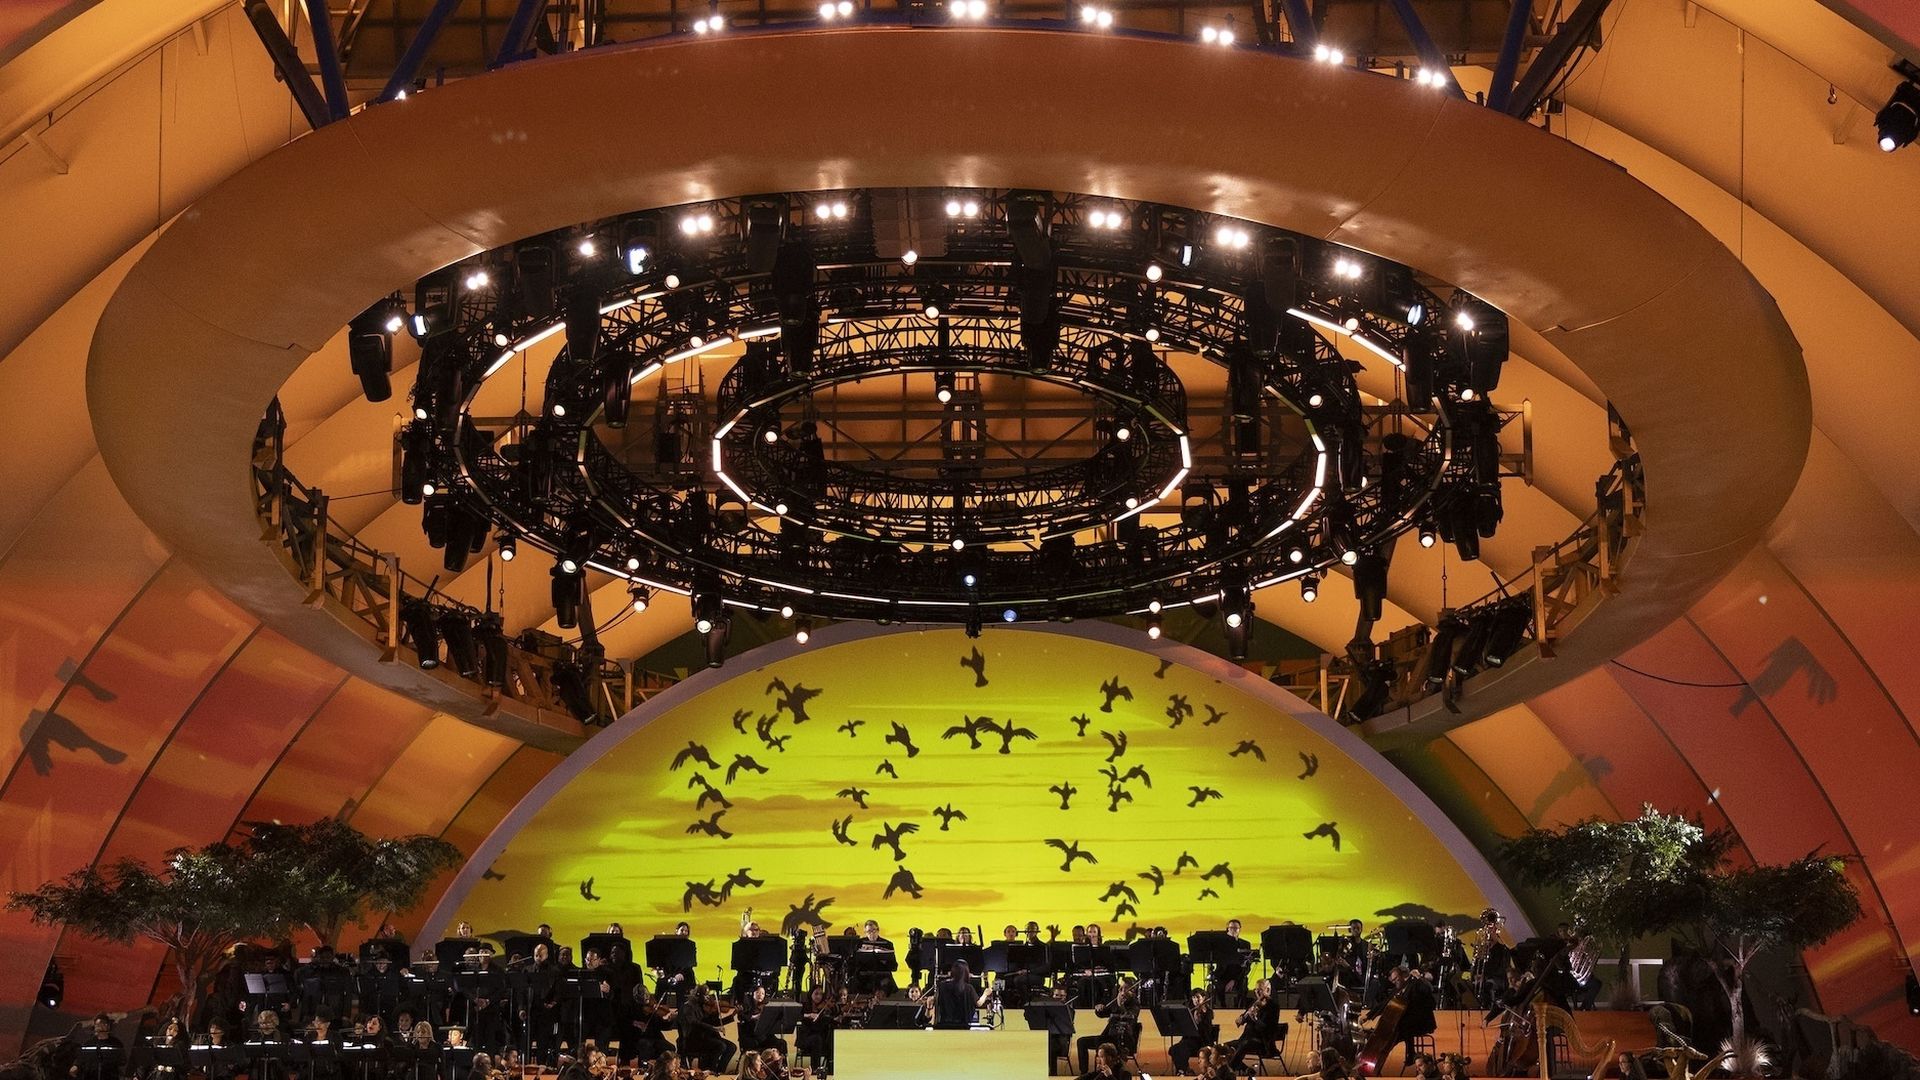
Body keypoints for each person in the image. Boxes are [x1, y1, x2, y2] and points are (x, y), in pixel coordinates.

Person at [1364, 967, 1437, 1073]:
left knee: (1398, 1029)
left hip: (1422, 1023)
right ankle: (1387, 1057)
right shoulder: (1400, 987)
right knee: (1397, 1029)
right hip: (1406, 1024)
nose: (1394, 983)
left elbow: (1429, 991)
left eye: (1396, 979)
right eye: (1393, 981)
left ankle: (1406, 1054)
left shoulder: (1416, 984)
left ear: (1403, 976)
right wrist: (1368, 1016)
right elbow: (1386, 1002)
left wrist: (1419, 978)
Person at [1077, 979, 1139, 1074]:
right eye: (1120, 988)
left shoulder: (1135, 1003)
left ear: (1132, 991)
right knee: (1081, 1042)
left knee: (1100, 1041)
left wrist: (1121, 1005)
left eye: (1124, 989)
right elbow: (1102, 1014)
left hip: (1123, 1038)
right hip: (1109, 1037)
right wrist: (1099, 1009)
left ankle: (1099, 1072)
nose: (1120, 991)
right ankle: (1084, 1072)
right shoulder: (1115, 1000)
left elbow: (1129, 1016)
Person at [1224, 978, 1281, 1069]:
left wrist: (1255, 1019)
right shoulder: (1254, 1003)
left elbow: (1267, 1029)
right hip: (1245, 1039)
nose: (1257, 993)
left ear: (1268, 990)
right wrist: (1241, 1019)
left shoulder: (1273, 1006)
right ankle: (1245, 1069)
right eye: (1256, 990)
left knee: (1244, 1044)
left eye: (1260, 990)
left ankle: (1230, 1069)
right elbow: (1244, 1018)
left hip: (1262, 1042)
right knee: (1224, 1047)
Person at [675, 987, 734, 1073]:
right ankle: (710, 1070)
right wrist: (713, 1028)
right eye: (705, 995)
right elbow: (694, 1023)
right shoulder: (688, 1006)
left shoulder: (705, 1006)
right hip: (692, 1039)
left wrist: (731, 1016)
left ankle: (720, 1071)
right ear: (698, 995)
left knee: (731, 1047)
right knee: (720, 1046)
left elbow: (714, 1022)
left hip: (705, 1036)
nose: (708, 997)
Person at [1168, 987, 1216, 1075]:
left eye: (1198, 997)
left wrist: (1201, 1017)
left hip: (1201, 1041)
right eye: (1194, 997)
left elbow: (1207, 1030)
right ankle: (1185, 1069)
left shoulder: (1208, 1012)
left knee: (1182, 1048)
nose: (1196, 1000)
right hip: (1189, 1040)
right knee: (1173, 1049)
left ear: (1204, 998)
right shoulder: (1190, 1011)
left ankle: (1181, 1070)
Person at [934, 960, 987, 1029]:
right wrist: (985, 994)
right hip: (963, 1026)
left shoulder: (942, 986)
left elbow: (936, 1002)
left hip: (945, 1025)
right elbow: (979, 1003)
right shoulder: (968, 988)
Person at [795, 988, 836, 1074]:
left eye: (821, 994)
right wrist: (808, 1015)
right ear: (811, 994)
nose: (819, 996)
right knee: (817, 1039)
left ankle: (830, 1066)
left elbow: (831, 1017)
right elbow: (796, 1016)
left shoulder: (823, 1008)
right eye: (816, 994)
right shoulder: (805, 1006)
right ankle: (815, 1068)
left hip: (819, 1040)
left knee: (830, 1037)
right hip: (805, 1039)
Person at [71, 1014, 124, 1080]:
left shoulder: (116, 1043)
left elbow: (122, 1060)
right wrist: (76, 1066)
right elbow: (81, 1058)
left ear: (108, 1026)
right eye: (98, 1025)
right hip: (91, 1076)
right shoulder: (88, 1043)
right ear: (95, 1026)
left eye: (103, 1024)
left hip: (109, 1076)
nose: (101, 1027)